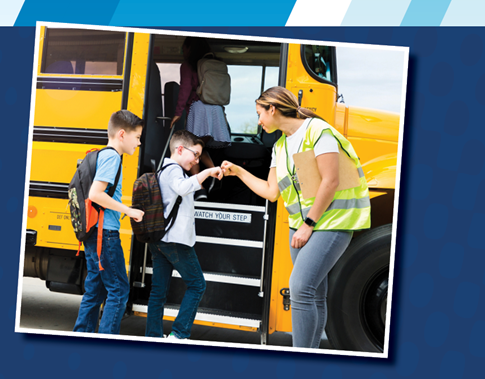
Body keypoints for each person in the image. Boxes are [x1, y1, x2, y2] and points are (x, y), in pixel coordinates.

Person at [220, 87, 371, 348]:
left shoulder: (318, 131)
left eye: (259, 114)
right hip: (301, 226)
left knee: (300, 289)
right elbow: (271, 192)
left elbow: (331, 181)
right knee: (314, 294)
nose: (259, 121)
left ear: (272, 109)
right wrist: (239, 172)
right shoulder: (279, 146)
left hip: (331, 221)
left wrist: (308, 225)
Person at [73, 110, 146, 335]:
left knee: (95, 291)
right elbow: (96, 194)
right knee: (119, 291)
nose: (139, 143)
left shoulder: (100, 154)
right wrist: (128, 210)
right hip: (105, 235)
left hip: (94, 232)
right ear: (122, 134)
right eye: (137, 137)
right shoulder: (113, 157)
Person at [145, 130, 223, 340]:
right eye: (195, 155)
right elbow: (182, 188)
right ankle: (179, 334)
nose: (197, 160)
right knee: (197, 285)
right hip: (175, 241)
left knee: (158, 292)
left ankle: (152, 337)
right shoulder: (173, 171)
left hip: (160, 240)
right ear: (180, 149)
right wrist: (207, 172)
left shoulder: (165, 170)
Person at [170, 37, 228, 171]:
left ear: (189, 49)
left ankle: (199, 180)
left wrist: (178, 113)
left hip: (199, 108)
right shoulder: (215, 64)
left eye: (183, 49)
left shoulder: (189, 65)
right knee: (199, 146)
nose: (183, 52)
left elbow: (185, 89)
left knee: (191, 148)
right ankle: (214, 173)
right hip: (217, 110)